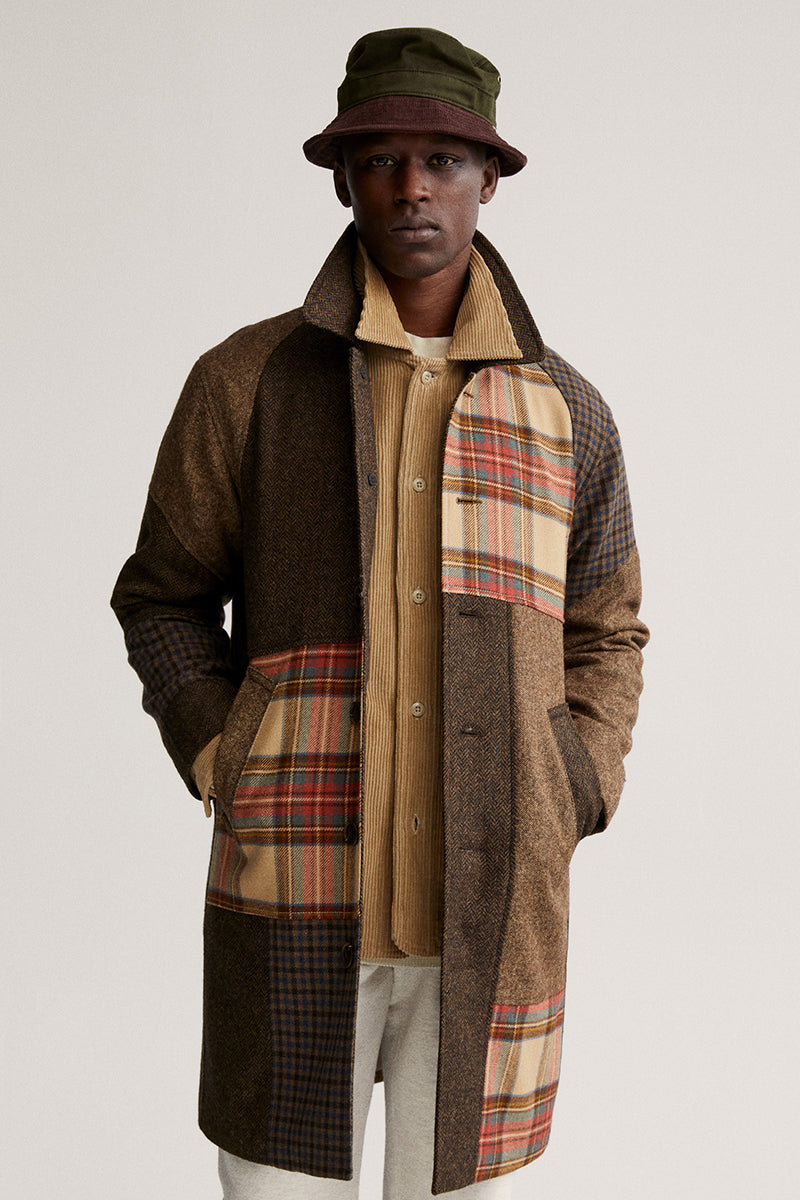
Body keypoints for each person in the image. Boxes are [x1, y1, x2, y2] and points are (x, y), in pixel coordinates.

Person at [111, 27, 648, 1200]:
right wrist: (223, 751)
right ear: (343, 177)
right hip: (291, 883)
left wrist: (575, 779)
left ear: (488, 177)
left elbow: (605, 627)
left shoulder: (564, 411)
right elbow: (162, 597)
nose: (411, 187)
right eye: (380, 159)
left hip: (490, 898)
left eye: (442, 159)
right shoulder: (246, 382)